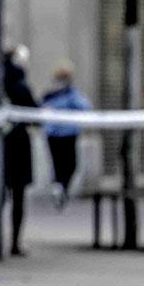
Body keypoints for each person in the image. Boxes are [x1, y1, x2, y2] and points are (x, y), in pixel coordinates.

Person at [2, 45, 37, 256]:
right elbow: (34, 112)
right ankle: (14, 242)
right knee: (18, 197)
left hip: (0, 148)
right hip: (18, 146)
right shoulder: (21, 85)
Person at [42, 60, 91, 209]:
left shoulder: (58, 95)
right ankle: (60, 186)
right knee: (67, 164)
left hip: (59, 134)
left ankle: (60, 187)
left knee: (62, 164)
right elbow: (84, 106)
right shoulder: (63, 95)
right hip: (63, 134)